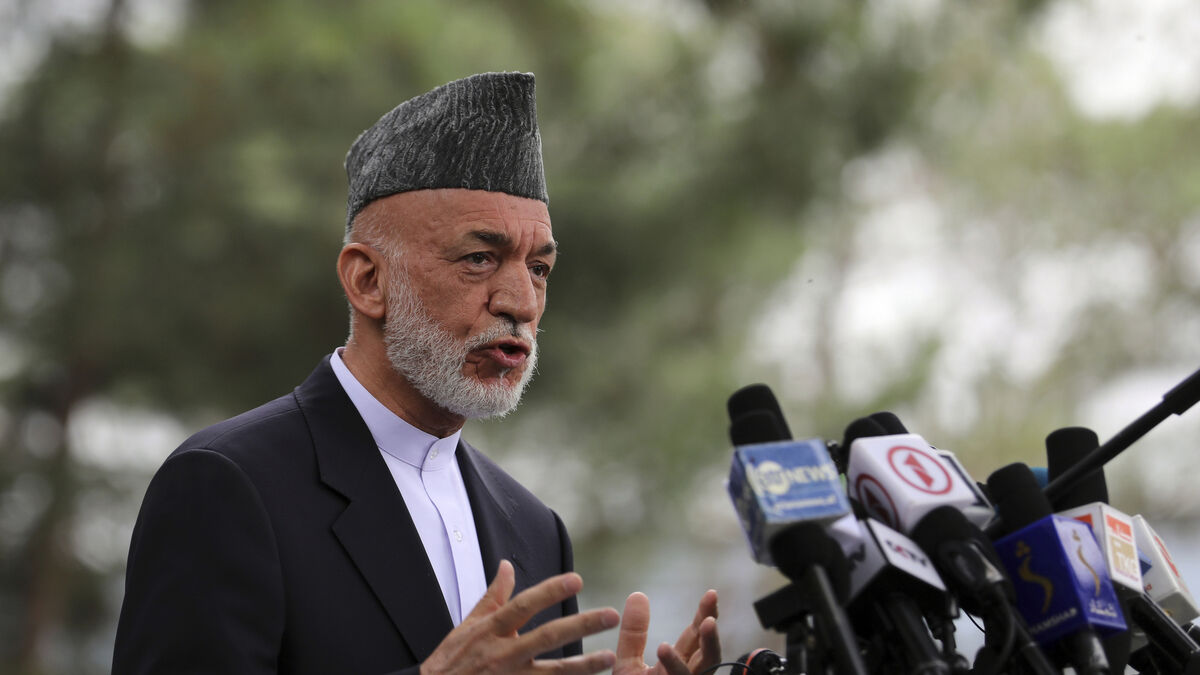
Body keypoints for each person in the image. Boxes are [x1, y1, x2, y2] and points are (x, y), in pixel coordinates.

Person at [112, 72, 721, 675]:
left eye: (538, 268)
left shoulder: (536, 530)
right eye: (479, 258)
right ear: (368, 281)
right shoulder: (228, 484)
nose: (521, 303)